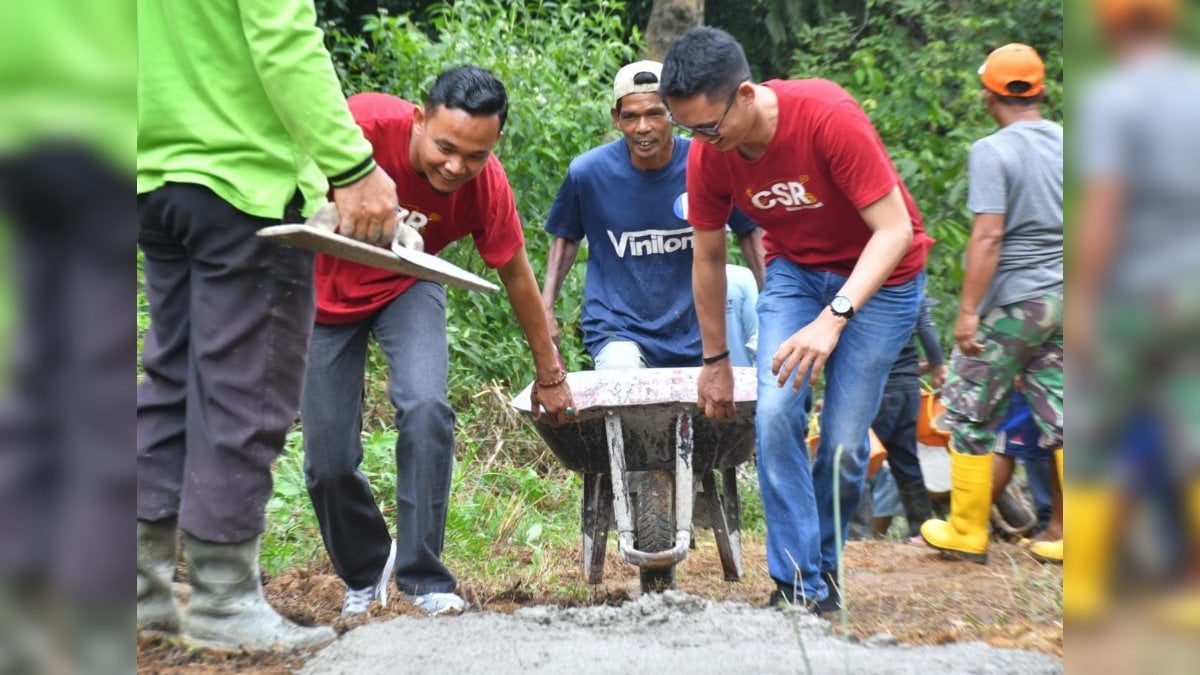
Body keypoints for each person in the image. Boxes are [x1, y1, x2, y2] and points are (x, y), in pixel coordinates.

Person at [136, 0, 400, 652]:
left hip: (154, 175)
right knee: (245, 391)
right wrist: (352, 167)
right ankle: (223, 600)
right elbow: (283, 39)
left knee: (171, 383)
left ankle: (141, 592)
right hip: (242, 179)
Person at [660, 27, 933, 614]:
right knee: (776, 413)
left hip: (885, 281)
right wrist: (715, 360)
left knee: (844, 444)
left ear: (746, 94)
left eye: (709, 127)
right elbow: (707, 258)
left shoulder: (827, 116)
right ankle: (798, 582)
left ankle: (823, 565)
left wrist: (834, 318)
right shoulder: (710, 154)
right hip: (797, 274)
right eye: (689, 130)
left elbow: (894, 231)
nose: (702, 142)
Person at [301, 67, 575, 618]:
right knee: (327, 461)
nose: (455, 167)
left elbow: (517, 274)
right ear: (419, 119)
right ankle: (366, 569)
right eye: (445, 148)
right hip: (321, 293)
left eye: (475, 155)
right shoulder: (359, 126)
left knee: (426, 408)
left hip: (409, 281)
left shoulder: (487, 184)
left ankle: (424, 577)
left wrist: (550, 373)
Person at [920, 44, 1064, 567]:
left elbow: (988, 236)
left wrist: (968, 312)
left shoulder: (992, 150)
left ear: (988, 94)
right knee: (1065, 412)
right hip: (1066, 295)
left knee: (967, 410)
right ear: (1039, 90)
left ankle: (965, 530)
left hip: (1012, 303)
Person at [540, 60, 765, 372]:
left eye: (654, 114)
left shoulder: (708, 163)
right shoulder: (588, 173)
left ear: (673, 113)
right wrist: (546, 308)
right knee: (624, 382)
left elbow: (749, 231)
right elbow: (565, 238)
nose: (642, 127)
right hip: (618, 327)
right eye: (630, 116)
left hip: (695, 326)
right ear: (616, 119)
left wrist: (774, 303)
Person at [870, 295, 945, 543]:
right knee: (906, 460)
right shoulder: (910, 286)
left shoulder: (863, 288)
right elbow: (926, 326)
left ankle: (853, 534)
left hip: (876, 388)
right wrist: (938, 365)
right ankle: (921, 529)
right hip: (908, 389)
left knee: (860, 458)